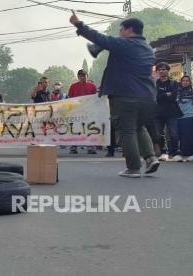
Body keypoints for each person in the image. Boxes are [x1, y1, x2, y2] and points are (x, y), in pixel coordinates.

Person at [70, 13, 160, 177]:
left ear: (129, 30)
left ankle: (133, 167)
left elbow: (100, 38)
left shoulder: (125, 44)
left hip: (126, 96)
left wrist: (79, 24)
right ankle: (151, 158)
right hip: (148, 97)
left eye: (121, 30)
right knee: (139, 127)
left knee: (127, 130)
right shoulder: (148, 48)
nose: (120, 33)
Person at [154, 62, 183, 162]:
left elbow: (174, 97)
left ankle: (175, 153)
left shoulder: (173, 83)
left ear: (167, 70)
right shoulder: (155, 84)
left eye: (163, 69)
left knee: (173, 134)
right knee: (158, 134)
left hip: (171, 112)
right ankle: (163, 153)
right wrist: (166, 94)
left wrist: (163, 95)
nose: (161, 71)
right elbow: (155, 98)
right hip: (158, 113)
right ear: (157, 71)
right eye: (159, 69)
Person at [67, 69, 98, 154]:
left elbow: (95, 98)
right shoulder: (73, 86)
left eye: (84, 76)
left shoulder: (92, 86)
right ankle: (73, 147)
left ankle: (90, 147)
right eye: (80, 76)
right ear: (78, 77)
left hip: (88, 111)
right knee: (75, 129)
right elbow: (70, 99)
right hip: (77, 111)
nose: (82, 77)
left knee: (89, 128)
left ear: (87, 76)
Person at [177, 75, 193, 161]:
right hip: (179, 116)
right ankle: (183, 151)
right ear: (181, 82)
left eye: (187, 81)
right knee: (181, 135)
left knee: (190, 135)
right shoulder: (177, 92)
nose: (185, 82)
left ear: (189, 82)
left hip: (190, 116)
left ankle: (191, 152)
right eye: (183, 80)